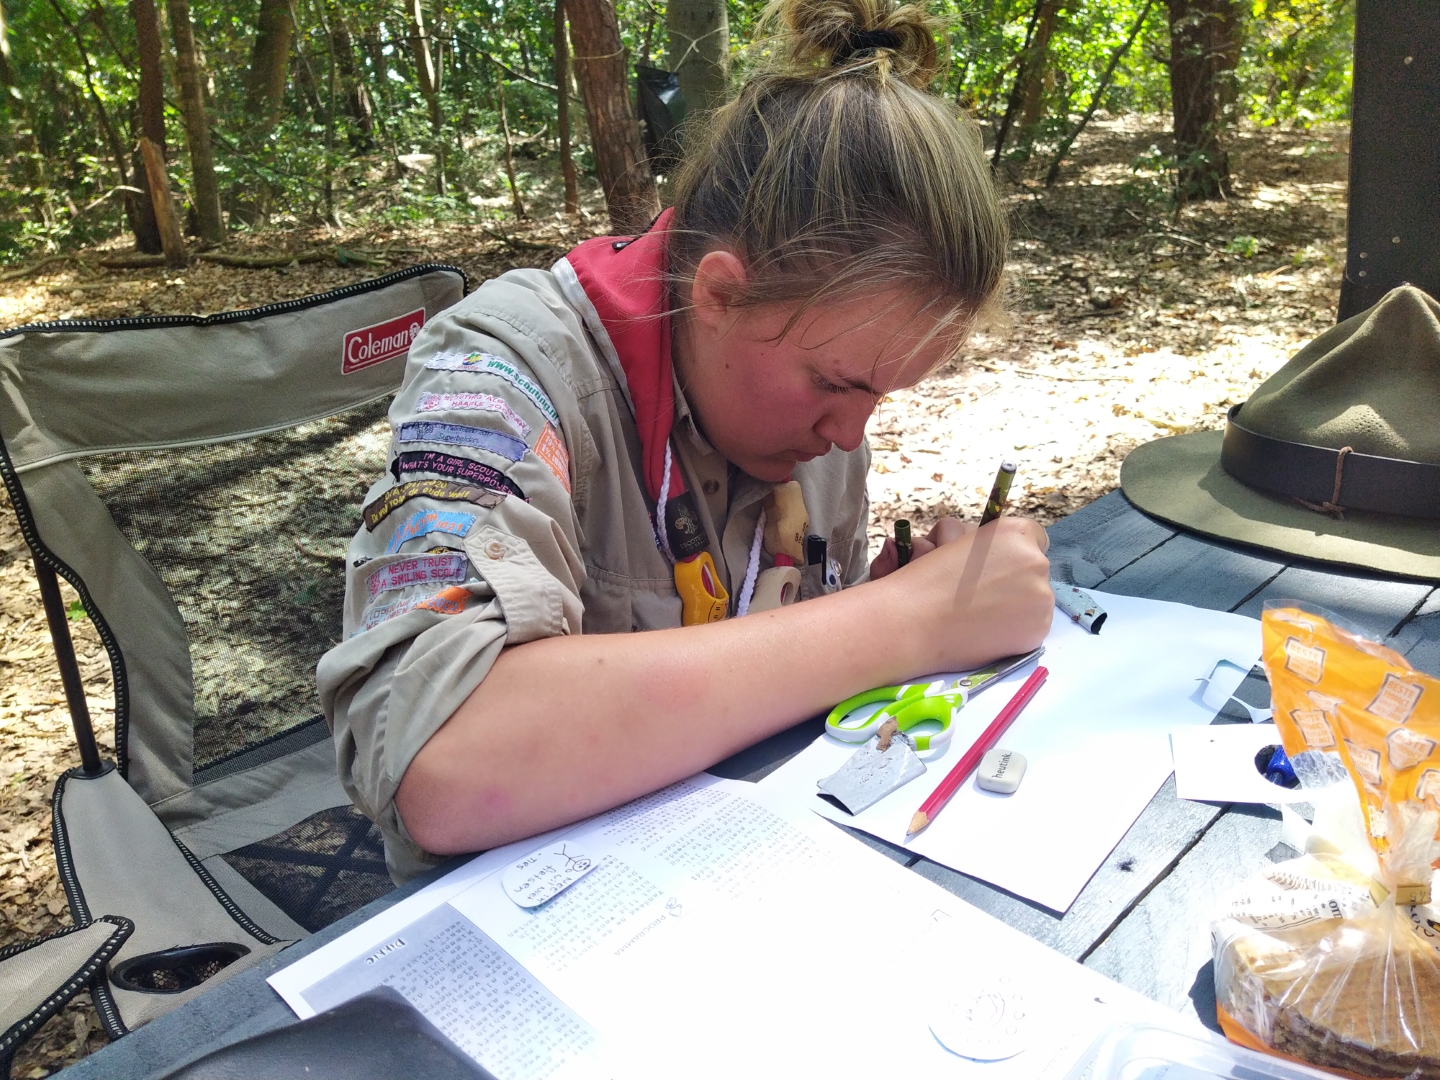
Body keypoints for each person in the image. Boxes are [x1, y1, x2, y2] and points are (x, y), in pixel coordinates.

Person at [317, 0, 1055, 882]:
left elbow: (778, 661)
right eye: (835, 384)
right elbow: (438, 762)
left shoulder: (811, 405)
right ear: (719, 294)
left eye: (881, 394)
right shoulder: (502, 373)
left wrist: (881, 608)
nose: (849, 435)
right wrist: (908, 622)